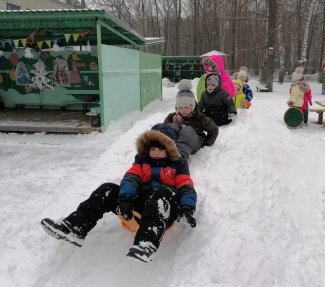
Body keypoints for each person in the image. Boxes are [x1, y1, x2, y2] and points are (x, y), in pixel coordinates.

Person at [40, 130, 197, 263]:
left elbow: (185, 186)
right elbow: (131, 179)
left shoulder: (178, 165)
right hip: (141, 207)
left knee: (161, 191)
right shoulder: (141, 163)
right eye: (153, 149)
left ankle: (146, 243)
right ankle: (74, 228)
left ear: (168, 151)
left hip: (163, 207)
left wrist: (187, 208)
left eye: (160, 150)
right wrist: (125, 200)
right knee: (107, 189)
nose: (156, 153)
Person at [152, 79, 219, 160]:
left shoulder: (199, 117)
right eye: (180, 107)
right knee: (169, 127)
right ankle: (158, 151)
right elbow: (164, 131)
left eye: (187, 107)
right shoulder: (172, 116)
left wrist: (206, 144)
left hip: (194, 142)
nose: (183, 110)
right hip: (176, 143)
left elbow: (214, 129)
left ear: (192, 107)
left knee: (187, 130)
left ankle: (179, 158)